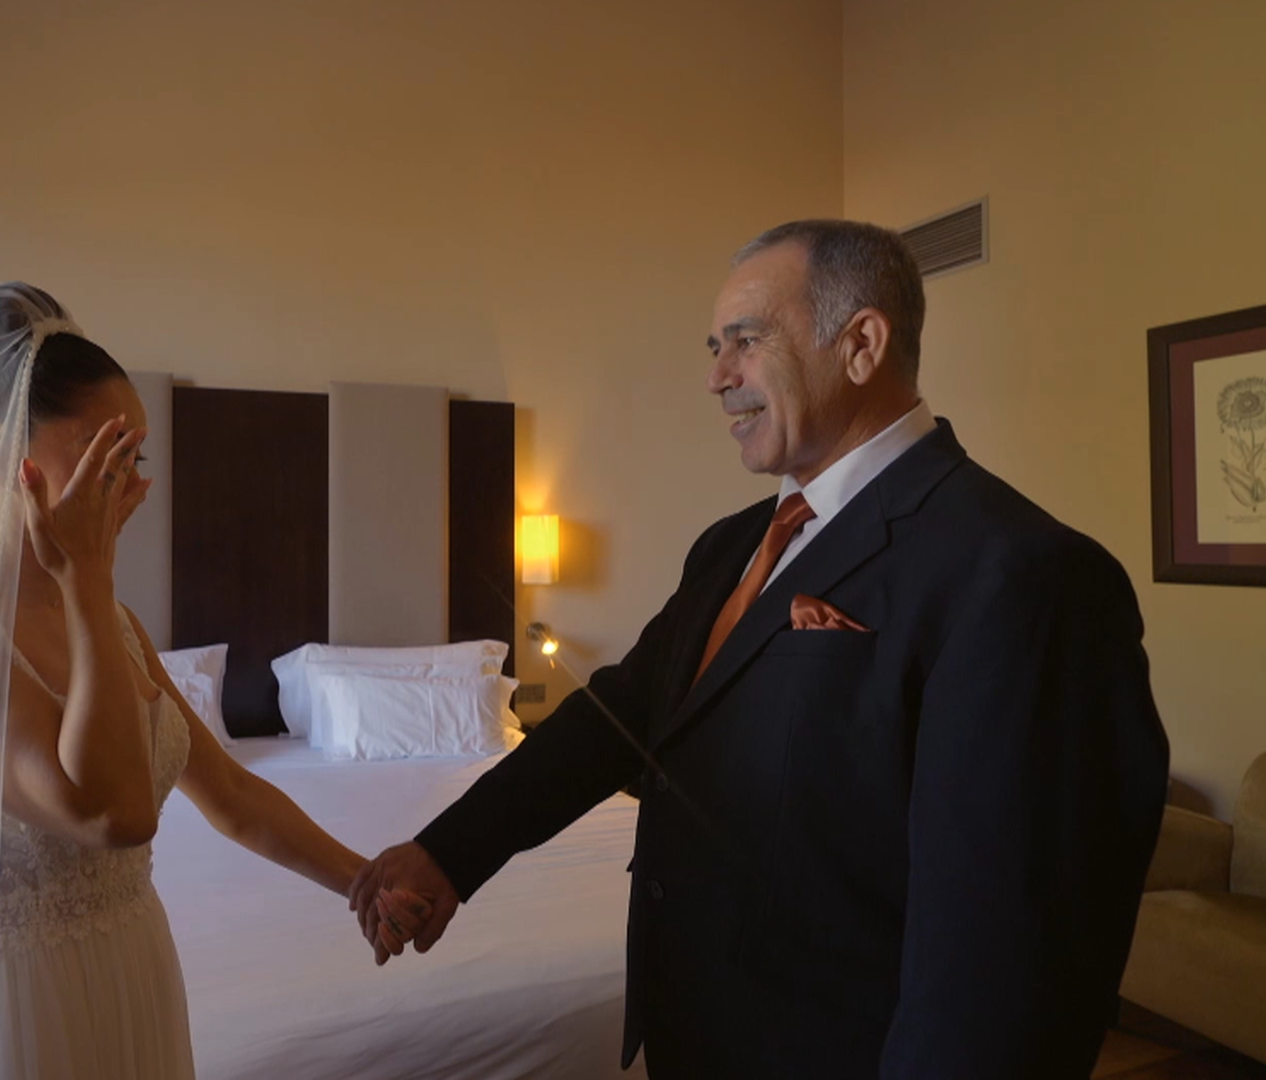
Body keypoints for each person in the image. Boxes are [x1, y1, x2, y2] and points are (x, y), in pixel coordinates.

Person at [352, 220, 1171, 1079]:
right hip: (700, 1035)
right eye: (716, 347)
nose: (716, 378)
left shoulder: (1021, 574)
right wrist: (452, 850)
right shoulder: (733, 545)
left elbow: (1012, 963)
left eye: (746, 341)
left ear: (860, 344)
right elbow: (620, 714)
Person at [0, 283, 366, 1080]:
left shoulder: (115, 629)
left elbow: (232, 795)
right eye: (102, 453)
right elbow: (108, 811)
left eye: (136, 456)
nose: (128, 483)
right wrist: (86, 578)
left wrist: (363, 883)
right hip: (12, 1015)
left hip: (132, 977)